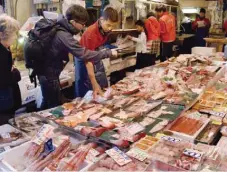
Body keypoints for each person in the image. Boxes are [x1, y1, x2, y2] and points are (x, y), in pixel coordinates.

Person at [32, 5, 117, 110]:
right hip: (48, 75)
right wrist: (108, 53)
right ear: (73, 22)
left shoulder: (63, 29)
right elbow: (84, 54)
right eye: (82, 24)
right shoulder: (64, 35)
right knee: (53, 107)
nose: (84, 26)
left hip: (49, 73)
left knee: (48, 103)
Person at [76, 7, 118, 98]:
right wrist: (94, 83)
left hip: (94, 56)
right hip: (84, 60)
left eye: (113, 26)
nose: (110, 29)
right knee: (88, 92)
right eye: (109, 25)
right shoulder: (91, 34)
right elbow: (88, 59)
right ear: (102, 20)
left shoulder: (104, 29)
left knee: (103, 86)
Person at [0, 15, 21, 125]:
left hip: (5, 98)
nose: (14, 38)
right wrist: (16, 74)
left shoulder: (5, 49)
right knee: (5, 126)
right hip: (3, 101)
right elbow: (4, 79)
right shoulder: (2, 53)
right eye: (12, 34)